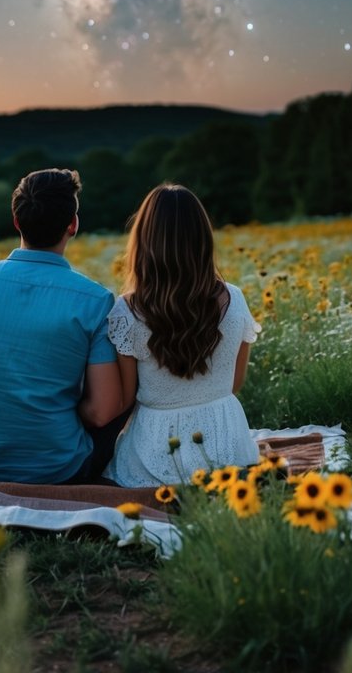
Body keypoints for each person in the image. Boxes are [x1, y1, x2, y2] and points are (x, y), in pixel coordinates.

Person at [0, 168, 124, 484]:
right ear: (72, 225)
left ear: (17, 221)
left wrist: (3, 388)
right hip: (58, 469)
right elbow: (101, 412)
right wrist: (45, 395)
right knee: (126, 401)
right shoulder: (96, 300)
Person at [103, 183, 261, 487]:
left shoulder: (126, 311)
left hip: (155, 452)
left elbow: (125, 400)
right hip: (227, 445)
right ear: (203, 239)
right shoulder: (236, 299)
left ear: (143, 242)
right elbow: (235, 383)